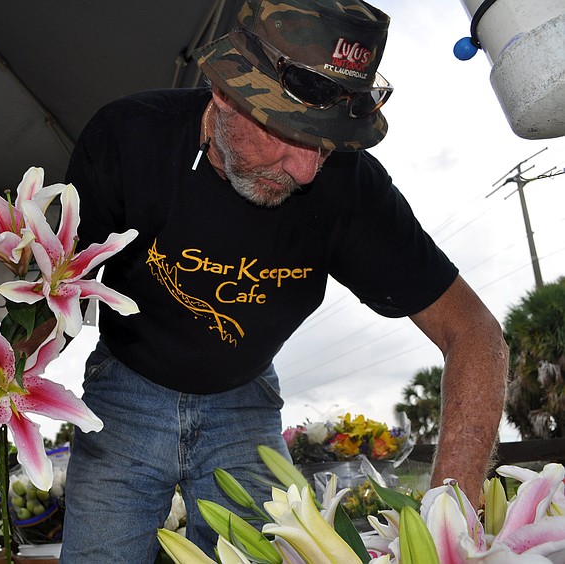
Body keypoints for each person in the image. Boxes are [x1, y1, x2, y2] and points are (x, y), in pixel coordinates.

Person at [59, 0, 508, 561]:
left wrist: (452, 523)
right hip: (125, 388)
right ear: (222, 91)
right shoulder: (127, 139)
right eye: (287, 132)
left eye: (326, 143)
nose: (306, 169)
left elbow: (474, 332)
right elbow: (58, 292)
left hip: (244, 400)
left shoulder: (349, 188)